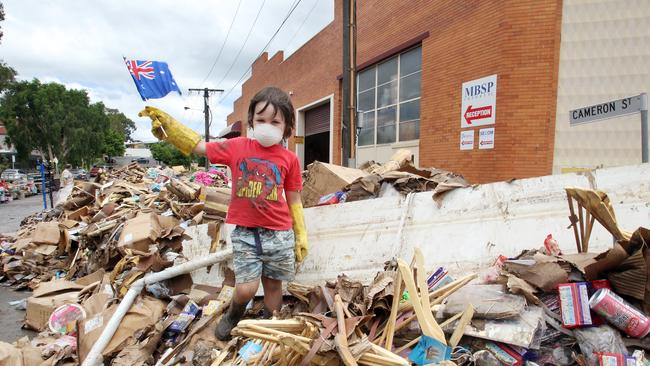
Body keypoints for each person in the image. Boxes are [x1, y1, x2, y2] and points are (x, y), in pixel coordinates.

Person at [139, 86, 308, 340]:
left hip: (279, 233)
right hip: (246, 233)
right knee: (246, 288)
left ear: (287, 126)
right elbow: (200, 147)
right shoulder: (236, 146)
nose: (267, 126)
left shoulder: (289, 159)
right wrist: (171, 130)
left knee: (274, 286)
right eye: (261, 120)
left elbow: (294, 198)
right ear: (251, 121)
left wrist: (301, 234)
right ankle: (233, 314)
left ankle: (270, 326)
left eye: (275, 121)